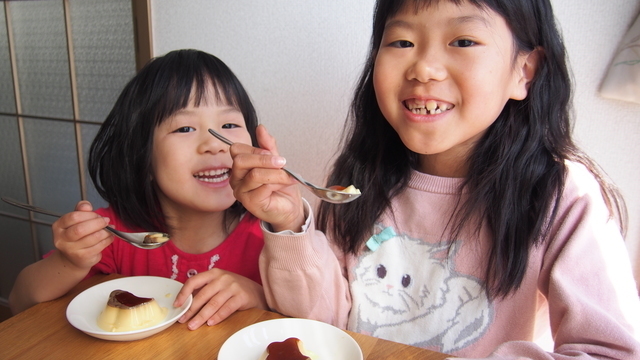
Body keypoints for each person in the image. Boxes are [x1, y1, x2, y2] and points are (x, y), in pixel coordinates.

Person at [227, 0, 640, 358]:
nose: (423, 67)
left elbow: (611, 351)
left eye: (462, 41)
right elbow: (326, 327)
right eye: (402, 42)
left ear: (524, 72)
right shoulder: (356, 181)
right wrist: (287, 224)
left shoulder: (562, 196)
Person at [9, 49, 266, 330]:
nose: (215, 144)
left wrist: (258, 296)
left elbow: (308, 314)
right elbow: (21, 301)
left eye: (229, 125)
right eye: (184, 128)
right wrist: (71, 261)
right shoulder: (116, 233)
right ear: (141, 154)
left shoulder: (271, 237)